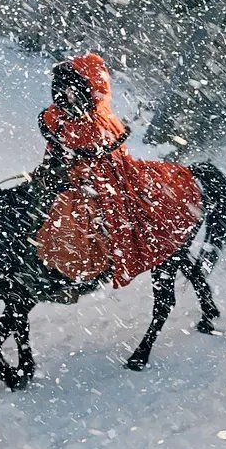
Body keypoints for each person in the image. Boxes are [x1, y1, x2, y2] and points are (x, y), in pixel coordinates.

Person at [35, 53, 204, 288]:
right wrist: (50, 167)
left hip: (101, 183)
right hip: (69, 177)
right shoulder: (59, 116)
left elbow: (110, 166)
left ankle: (87, 268)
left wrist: (78, 174)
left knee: (83, 218)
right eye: (62, 89)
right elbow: (56, 147)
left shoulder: (100, 124)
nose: (66, 95)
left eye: (72, 89)